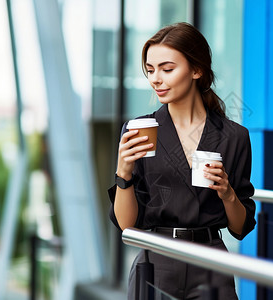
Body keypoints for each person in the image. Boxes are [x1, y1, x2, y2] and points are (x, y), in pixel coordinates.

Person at [108, 22, 256, 299]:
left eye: (167, 69)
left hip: (211, 261)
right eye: (150, 70)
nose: (155, 79)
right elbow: (127, 225)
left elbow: (240, 227)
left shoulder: (234, 136)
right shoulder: (140, 130)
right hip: (157, 260)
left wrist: (227, 193)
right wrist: (123, 173)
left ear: (197, 70)